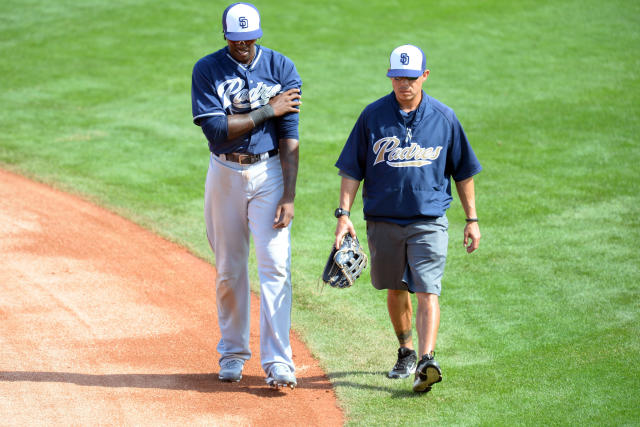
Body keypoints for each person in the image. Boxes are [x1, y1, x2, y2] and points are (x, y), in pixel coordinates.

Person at [333, 44, 482, 393]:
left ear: (424, 76)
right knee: (395, 286)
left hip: (429, 221)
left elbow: (463, 172)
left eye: (411, 77)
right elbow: (351, 169)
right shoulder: (372, 117)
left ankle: (427, 361)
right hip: (383, 220)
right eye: (398, 77)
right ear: (390, 77)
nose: (405, 84)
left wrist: (472, 219)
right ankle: (407, 351)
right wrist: (343, 214)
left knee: (427, 289)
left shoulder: (444, 118)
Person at [190, 2, 302, 389]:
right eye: (236, 39)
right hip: (224, 172)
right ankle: (233, 354)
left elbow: (290, 136)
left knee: (275, 267)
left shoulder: (282, 68)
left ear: (258, 35)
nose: (243, 45)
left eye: (248, 38)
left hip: (270, 173)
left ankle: (279, 363)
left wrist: (289, 194)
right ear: (226, 36)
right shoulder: (207, 69)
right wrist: (266, 110)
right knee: (229, 269)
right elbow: (218, 130)